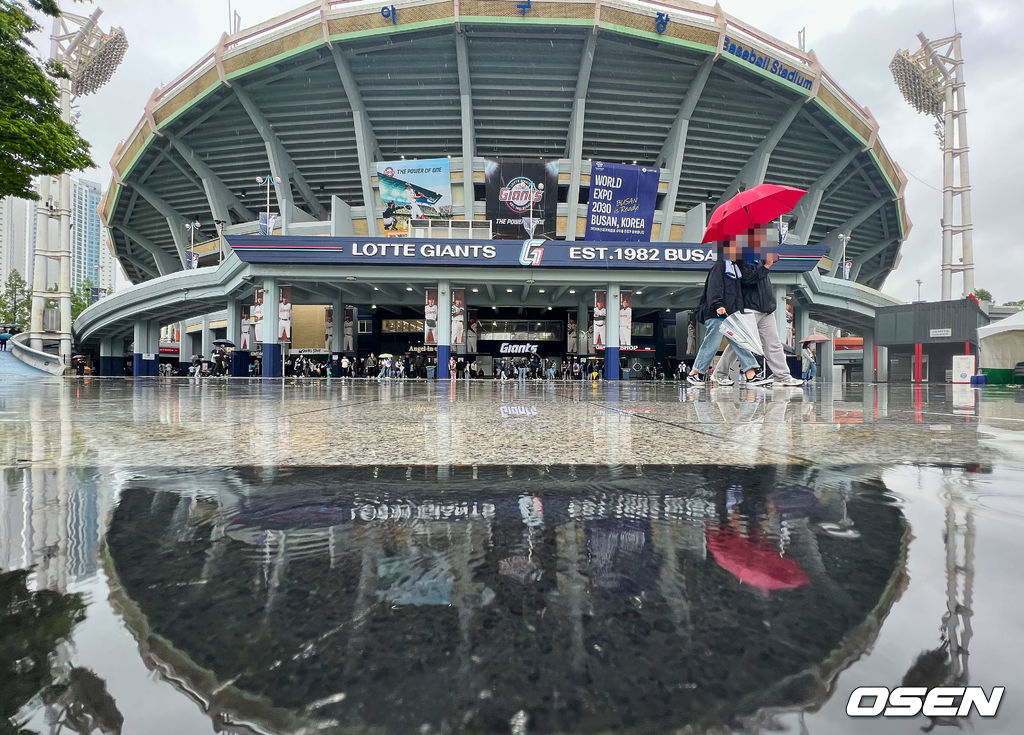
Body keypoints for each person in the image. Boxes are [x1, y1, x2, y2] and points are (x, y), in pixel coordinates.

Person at [712, 224, 804, 387]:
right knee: (740, 342)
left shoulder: (760, 255)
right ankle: (720, 373)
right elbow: (747, 279)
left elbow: (762, 279)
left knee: (773, 344)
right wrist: (767, 266)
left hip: (766, 308)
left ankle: (782, 376)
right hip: (748, 307)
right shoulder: (741, 257)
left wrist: (767, 263)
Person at [687, 238, 762, 387]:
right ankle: (695, 373)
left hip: (730, 314)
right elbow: (714, 288)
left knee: (740, 341)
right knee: (712, 343)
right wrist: (718, 305)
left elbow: (737, 293)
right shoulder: (720, 266)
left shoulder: (735, 269)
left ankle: (750, 373)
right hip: (717, 313)